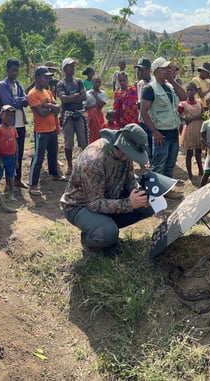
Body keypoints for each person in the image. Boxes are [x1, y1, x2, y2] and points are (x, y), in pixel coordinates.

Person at [60, 124, 154, 252]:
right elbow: (94, 203)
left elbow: (130, 180)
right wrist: (129, 203)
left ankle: (102, 225)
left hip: (109, 198)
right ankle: (91, 239)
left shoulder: (123, 154)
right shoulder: (93, 160)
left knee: (148, 206)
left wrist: (139, 193)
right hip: (79, 205)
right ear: (120, 148)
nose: (132, 159)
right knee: (107, 233)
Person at [141, 57, 187, 182]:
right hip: (160, 133)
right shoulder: (150, 89)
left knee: (170, 164)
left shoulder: (170, 87)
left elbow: (184, 97)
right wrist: (154, 131)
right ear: (156, 71)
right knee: (158, 165)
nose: (168, 70)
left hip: (173, 131)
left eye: (169, 68)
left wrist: (172, 81)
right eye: (164, 68)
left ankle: (167, 190)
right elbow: (143, 111)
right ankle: (154, 193)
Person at [28, 66, 64, 197]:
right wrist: (51, 108)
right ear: (38, 78)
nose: (48, 80)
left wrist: (47, 105)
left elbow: (57, 108)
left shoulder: (47, 92)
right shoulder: (32, 94)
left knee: (53, 154)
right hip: (41, 131)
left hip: (52, 129)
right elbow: (41, 113)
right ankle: (33, 185)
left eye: (49, 77)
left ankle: (55, 174)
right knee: (38, 158)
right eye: (45, 77)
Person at [0, 58, 30, 189]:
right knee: (8, 153)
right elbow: (9, 103)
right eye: (13, 70)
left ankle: (17, 179)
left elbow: (26, 101)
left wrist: (18, 100)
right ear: (7, 70)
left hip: (21, 124)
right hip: (10, 125)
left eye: (17, 70)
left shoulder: (18, 85)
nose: (15, 73)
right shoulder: (3, 86)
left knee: (19, 153)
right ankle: (7, 180)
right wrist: (19, 101)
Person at [57, 58, 88, 176]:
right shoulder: (61, 84)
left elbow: (84, 97)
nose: (73, 68)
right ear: (65, 68)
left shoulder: (79, 81)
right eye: (70, 66)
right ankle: (70, 165)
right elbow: (63, 99)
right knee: (68, 142)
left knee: (83, 141)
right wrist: (76, 95)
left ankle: (84, 164)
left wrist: (70, 98)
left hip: (79, 113)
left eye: (73, 66)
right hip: (68, 115)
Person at [179, 81, 204, 180]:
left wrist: (191, 118)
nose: (189, 92)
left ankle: (201, 170)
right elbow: (179, 114)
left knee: (198, 151)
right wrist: (184, 120)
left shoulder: (199, 102)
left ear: (195, 91)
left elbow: (203, 114)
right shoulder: (182, 104)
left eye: (191, 90)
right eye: (187, 90)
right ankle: (189, 173)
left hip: (198, 128)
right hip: (189, 130)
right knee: (189, 153)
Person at [0, 106, 20, 201]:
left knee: (10, 177)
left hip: (11, 157)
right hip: (2, 157)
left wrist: (16, 159)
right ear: (1, 115)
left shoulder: (13, 129)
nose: (9, 117)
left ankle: (11, 194)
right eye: (7, 115)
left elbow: (16, 144)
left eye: (11, 116)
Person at [85, 76, 107, 143]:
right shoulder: (87, 93)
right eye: (96, 82)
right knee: (92, 132)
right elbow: (85, 107)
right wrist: (94, 106)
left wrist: (95, 95)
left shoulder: (102, 93)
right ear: (92, 82)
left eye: (99, 82)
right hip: (90, 116)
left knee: (100, 130)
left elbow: (101, 106)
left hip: (99, 115)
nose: (97, 84)